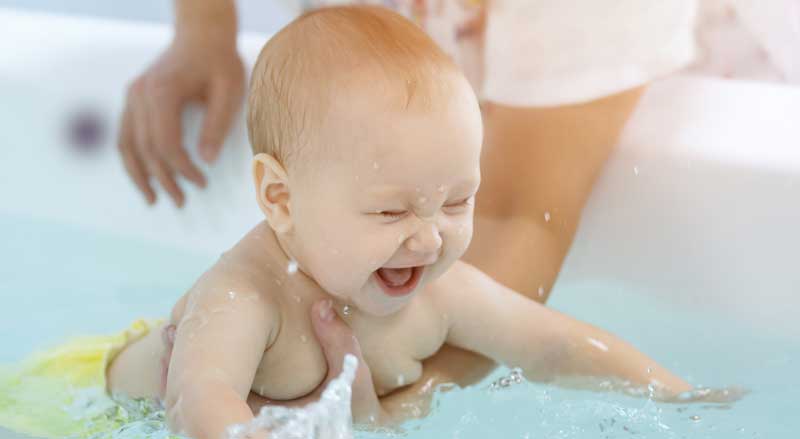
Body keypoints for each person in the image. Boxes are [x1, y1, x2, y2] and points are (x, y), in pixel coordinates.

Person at [106, 7, 699, 439]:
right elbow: (199, 399)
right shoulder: (245, 296)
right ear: (280, 198)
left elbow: (561, 347)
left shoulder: (440, 292)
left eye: (457, 201)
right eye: (390, 211)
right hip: (84, 404)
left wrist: (689, 402)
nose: (429, 237)